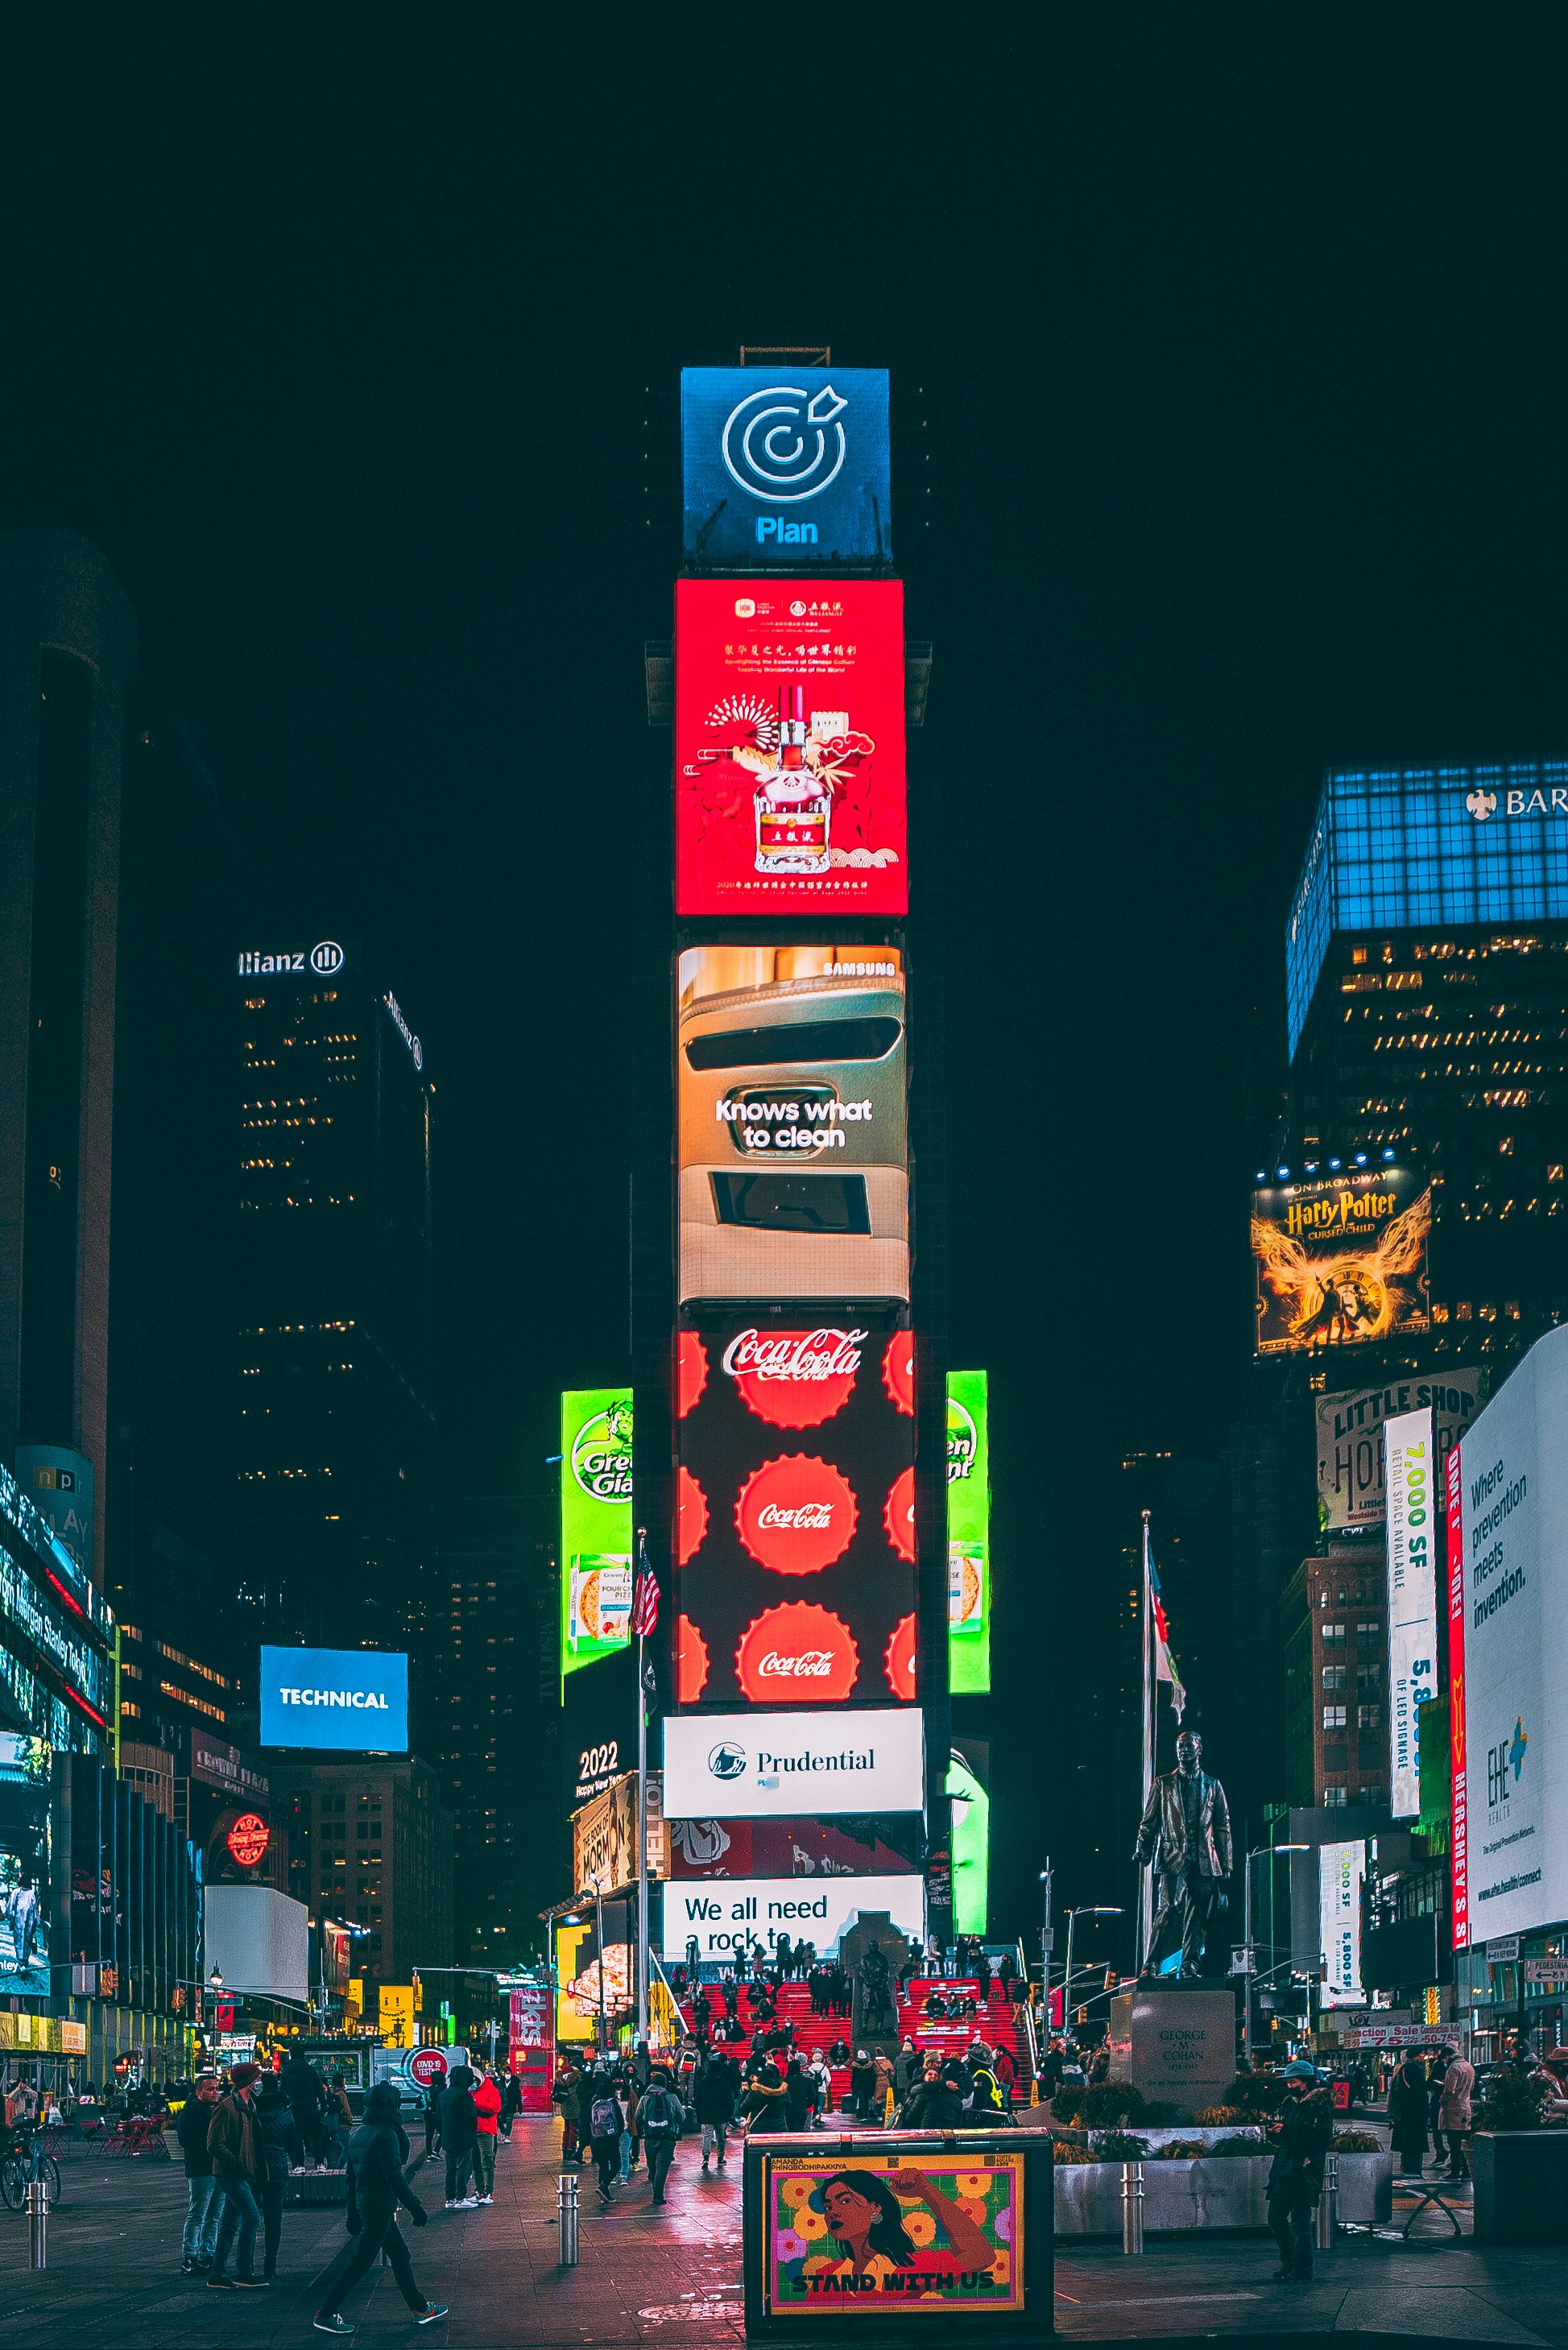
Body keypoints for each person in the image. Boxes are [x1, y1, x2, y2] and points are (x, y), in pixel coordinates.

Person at [312, 2079, 446, 2336]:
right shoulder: (387, 2133)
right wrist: (416, 2207)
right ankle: (326, 2313)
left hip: (367, 2204)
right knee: (360, 2263)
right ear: (391, 2105)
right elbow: (394, 2176)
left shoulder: (361, 2132)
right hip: (379, 2206)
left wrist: (352, 2212)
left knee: (400, 2255)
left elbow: (351, 2178)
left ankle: (420, 2308)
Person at [1265, 2059, 1333, 2283]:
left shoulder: (1318, 2105)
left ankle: (1303, 2268)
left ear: (1304, 2083)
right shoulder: (1293, 2104)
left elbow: (1321, 2138)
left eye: (1293, 2082)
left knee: (1300, 2221)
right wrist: (1276, 2131)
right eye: (1288, 2082)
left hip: (1304, 2169)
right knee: (1276, 2217)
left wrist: (1286, 2130)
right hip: (1285, 2167)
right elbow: (1288, 2136)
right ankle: (1290, 2263)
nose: (1289, 2086)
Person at [206, 2062, 268, 2290]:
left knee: (230, 2223)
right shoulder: (227, 2107)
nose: (259, 2083)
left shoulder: (248, 2106)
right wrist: (238, 2162)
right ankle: (244, 2271)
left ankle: (218, 2273)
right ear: (248, 2082)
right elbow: (214, 2144)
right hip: (231, 2173)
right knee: (251, 2217)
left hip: (243, 2172)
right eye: (257, 2079)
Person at [176, 2069, 223, 2274]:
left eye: (217, 2088)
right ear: (198, 2092)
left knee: (214, 2216)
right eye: (210, 2089)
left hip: (219, 2169)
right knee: (198, 2214)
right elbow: (186, 2139)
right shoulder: (191, 2111)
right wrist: (212, 2145)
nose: (215, 2092)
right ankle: (190, 2256)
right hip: (201, 2169)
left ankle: (208, 2253)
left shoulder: (218, 2110)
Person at [253, 2070, 295, 2279]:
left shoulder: (252, 2110)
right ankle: (270, 2262)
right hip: (277, 2166)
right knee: (274, 2218)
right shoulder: (285, 2111)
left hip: (253, 2166)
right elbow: (292, 2141)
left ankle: (246, 2262)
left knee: (249, 2217)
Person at [638, 2066, 683, 2207]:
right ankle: (658, 2195)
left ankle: (655, 2187)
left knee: (652, 2166)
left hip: (650, 2137)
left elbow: (637, 2116)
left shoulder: (645, 2098)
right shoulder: (672, 2097)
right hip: (667, 2137)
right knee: (662, 2167)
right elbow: (682, 2116)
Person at [438, 2063, 481, 2208]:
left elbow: (439, 2116)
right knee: (463, 2168)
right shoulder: (464, 2095)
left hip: (448, 2137)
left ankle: (450, 2199)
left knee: (450, 2169)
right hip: (463, 2137)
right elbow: (471, 2117)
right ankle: (460, 2198)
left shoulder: (443, 2095)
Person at [282, 2050, 330, 2170]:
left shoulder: (286, 2071)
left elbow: (283, 2091)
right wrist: (324, 2106)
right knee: (316, 2136)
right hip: (311, 2107)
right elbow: (319, 2090)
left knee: (298, 2137)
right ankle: (320, 2164)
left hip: (295, 2108)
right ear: (303, 2056)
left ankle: (300, 2165)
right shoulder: (311, 2070)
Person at [1388, 2053, 1430, 2179]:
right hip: (1415, 2115)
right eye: (1421, 2055)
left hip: (1403, 2114)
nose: (1424, 2057)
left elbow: (1395, 2092)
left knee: (1406, 2146)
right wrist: (1426, 2113)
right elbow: (1421, 2094)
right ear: (1416, 2057)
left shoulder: (1403, 2070)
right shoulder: (1415, 2070)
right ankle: (1415, 2172)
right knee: (1415, 2147)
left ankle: (1407, 2170)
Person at [585, 2069, 623, 2204]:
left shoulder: (594, 2102)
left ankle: (604, 2193)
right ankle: (604, 2186)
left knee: (603, 2166)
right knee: (616, 2165)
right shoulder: (613, 2102)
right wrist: (616, 2135)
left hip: (596, 2140)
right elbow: (620, 2121)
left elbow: (588, 2121)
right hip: (611, 2140)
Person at [1435, 2047, 1474, 2178]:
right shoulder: (1468, 2066)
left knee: (1453, 2142)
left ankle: (1455, 2171)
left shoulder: (1453, 2068)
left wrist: (1442, 2100)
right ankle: (1467, 2170)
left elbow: (1449, 2090)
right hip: (1465, 2106)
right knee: (1464, 2141)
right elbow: (1472, 2087)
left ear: (1448, 2056)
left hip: (1453, 2107)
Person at [697, 2051, 736, 2172]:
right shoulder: (724, 2082)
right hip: (721, 2114)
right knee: (720, 2137)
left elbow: (698, 2100)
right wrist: (730, 2114)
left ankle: (706, 2156)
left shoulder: (702, 2082)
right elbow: (729, 2100)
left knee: (707, 2137)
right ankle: (720, 2157)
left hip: (706, 2114)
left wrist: (698, 2114)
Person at [471, 2065, 502, 2203]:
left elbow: (495, 2107)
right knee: (476, 2164)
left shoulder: (491, 2090)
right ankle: (479, 2191)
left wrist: (476, 2103)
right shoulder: (471, 2091)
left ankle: (489, 2192)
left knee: (487, 2162)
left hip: (486, 2132)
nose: (473, 2083)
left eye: (474, 2080)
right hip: (473, 2132)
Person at [423, 2061, 448, 2162]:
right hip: (437, 2115)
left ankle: (429, 2154)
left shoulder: (429, 2089)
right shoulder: (442, 2089)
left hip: (428, 2115)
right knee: (443, 2133)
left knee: (429, 2135)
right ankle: (436, 2151)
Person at [848, 2050, 876, 2121]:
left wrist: (853, 2087)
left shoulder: (856, 2066)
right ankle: (866, 2115)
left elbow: (854, 2078)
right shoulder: (869, 2065)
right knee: (867, 2100)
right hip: (868, 2085)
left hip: (859, 2086)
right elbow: (873, 2077)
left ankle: (861, 2114)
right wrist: (873, 2086)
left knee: (861, 2100)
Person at [500, 2069, 523, 2139]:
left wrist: (519, 2105)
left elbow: (518, 2094)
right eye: (506, 2073)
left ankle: (507, 2136)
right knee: (500, 2120)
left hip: (511, 2104)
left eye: (509, 2073)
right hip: (502, 2105)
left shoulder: (515, 2082)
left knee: (509, 2121)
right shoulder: (500, 2082)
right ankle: (503, 2132)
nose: (507, 2075)